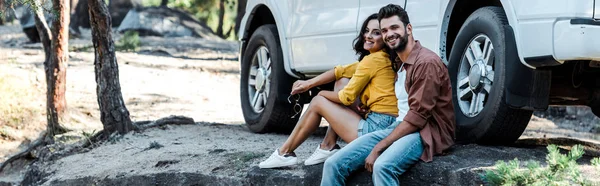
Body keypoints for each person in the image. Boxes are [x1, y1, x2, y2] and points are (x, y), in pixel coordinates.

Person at [321, 4, 456, 185]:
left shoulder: (426, 63)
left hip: (425, 132)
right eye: (384, 30)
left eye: (394, 27)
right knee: (332, 164)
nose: (389, 34)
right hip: (399, 125)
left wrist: (379, 147)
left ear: (408, 28)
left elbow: (417, 118)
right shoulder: (399, 61)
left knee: (382, 166)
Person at [258, 13, 399, 169]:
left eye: (376, 32)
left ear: (385, 37)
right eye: (366, 30)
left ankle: (285, 152)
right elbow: (339, 71)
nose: (368, 36)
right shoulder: (381, 58)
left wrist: (320, 94)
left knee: (318, 102)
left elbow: (346, 98)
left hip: (375, 131)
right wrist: (308, 84)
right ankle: (328, 145)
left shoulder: (372, 60)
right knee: (342, 81)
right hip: (386, 125)